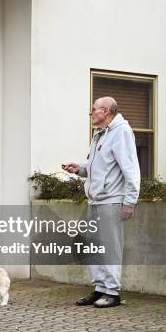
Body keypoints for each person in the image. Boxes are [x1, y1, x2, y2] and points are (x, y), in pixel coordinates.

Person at [62, 96, 140, 308]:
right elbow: (97, 167)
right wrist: (79, 168)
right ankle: (100, 289)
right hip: (94, 201)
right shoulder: (99, 134)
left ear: (105, 111)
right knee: (94, 247)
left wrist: (130, 201)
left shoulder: (121, 132)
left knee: (110, 247)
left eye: (94, 109)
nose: (91, 113)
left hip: (111, 201)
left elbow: (131, 169)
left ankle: (112, 293)